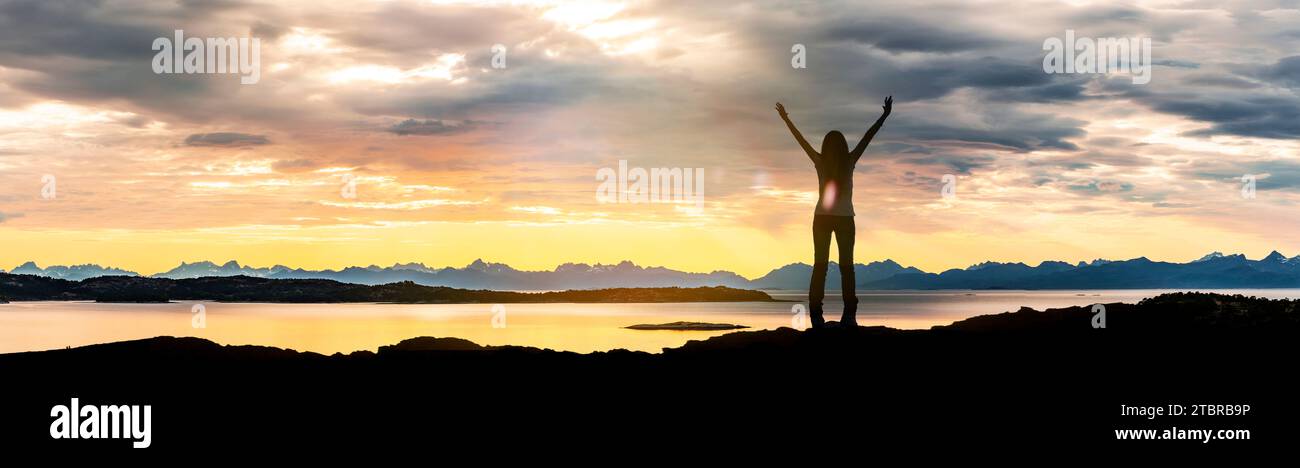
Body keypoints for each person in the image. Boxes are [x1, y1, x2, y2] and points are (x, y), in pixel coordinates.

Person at [776, 96, 892, 328]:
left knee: (822, 266)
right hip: (843, 219)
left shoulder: (823, 161)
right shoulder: (848, 161)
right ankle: (847, 316)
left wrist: (786, 119)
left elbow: (801, 141)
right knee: (845, 268)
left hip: (825, 219)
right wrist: (883, 116)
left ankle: (819, 317)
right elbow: (867, 138)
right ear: (842, 147)